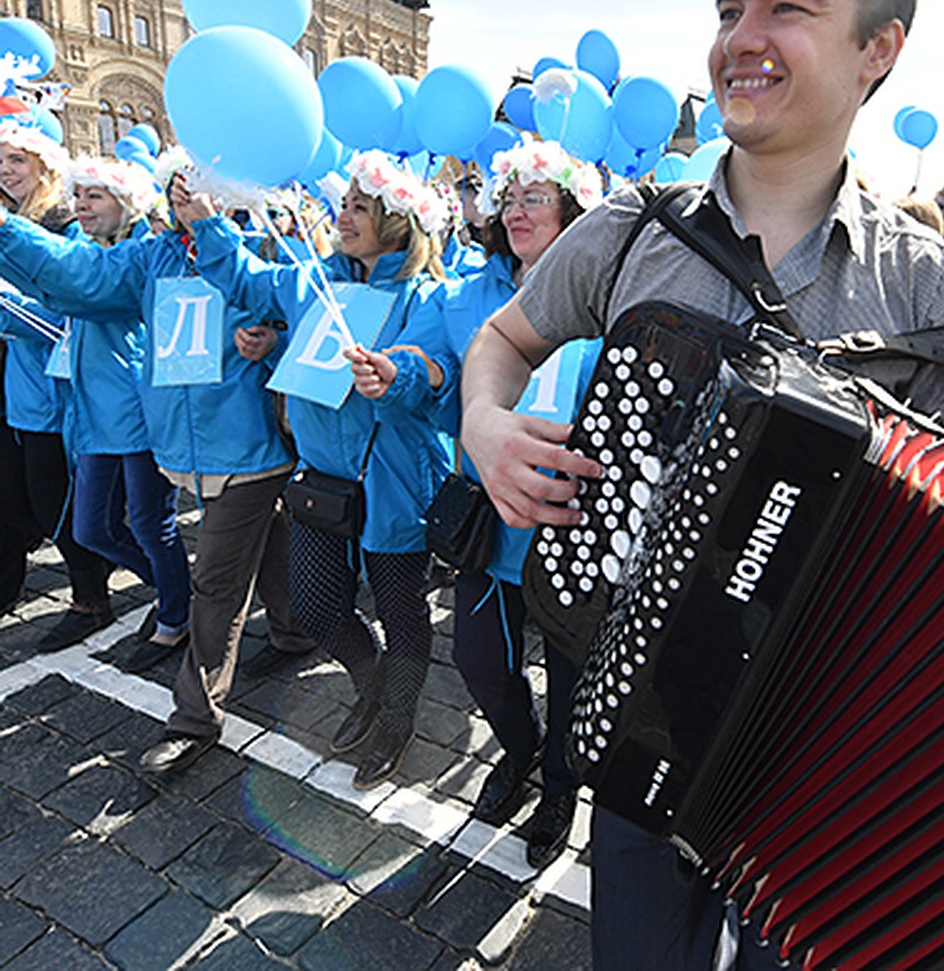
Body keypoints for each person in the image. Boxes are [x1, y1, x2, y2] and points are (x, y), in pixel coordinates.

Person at [459, 0, 944, 969]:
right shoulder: (632, 230)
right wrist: (485, 428)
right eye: (729, 8)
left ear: (879, 49)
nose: (742, 38)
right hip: (634, 721)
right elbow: (501, 343)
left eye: (788, 6)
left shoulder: (940, 294)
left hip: (822, 764)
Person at [0, 146, 312, 774]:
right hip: (183, 446)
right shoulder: (154, 255)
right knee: (268, 543)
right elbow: (82, 276)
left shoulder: (267, 248)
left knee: (216, 584)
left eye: (194, 187)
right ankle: (291, 630)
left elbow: (312, 324)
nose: (180, 196)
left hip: (250, 444)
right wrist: (7, 228)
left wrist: (273, 343)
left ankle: (195, 717)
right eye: (174, 186)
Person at [174, 152, 453, 790]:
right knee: (318, 605)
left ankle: (398, 715)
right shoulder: (311, 281)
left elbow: (432, 368)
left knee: (401, 613)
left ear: (397, 222)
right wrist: (206, 221)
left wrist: (397, 374)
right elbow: (248, 282)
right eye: (345, 204)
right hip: (322, 480)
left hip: (393, 484)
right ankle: (373, 680)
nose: (344, 216)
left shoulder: (427, 295)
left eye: (360, 207)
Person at [363, 134, 601, 865]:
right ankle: (521, 749)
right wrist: (397, 375)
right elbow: (429, 374)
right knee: (478, 661)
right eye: (511, 199)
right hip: (490, 521)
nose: (519, 210)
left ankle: (560, 784)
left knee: (570, 679)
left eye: (537, 198)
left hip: (575, 523)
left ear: (571, 212)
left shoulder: (607, 293)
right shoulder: (465, 298)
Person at [45, 156, 192, 662]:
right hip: (92, 417)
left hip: (137, 415)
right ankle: (177, 590)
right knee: (92, 530)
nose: (82, 206)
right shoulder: (81, 252)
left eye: (96, 196)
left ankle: (175, 615)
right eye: (78, 195)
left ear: (125, 203)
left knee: (152, 524)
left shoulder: (142, 255)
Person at [0, 120, 113, 641]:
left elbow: (68, 313)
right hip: (18, 396)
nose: (6, 170)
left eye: (17, 160)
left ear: (44, 166)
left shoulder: (64, 225)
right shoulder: (11, 219)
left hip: (59, 397)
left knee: (59, 504)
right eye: (1, 161)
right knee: (21, 503)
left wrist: (6, 311)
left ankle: (91, 598)